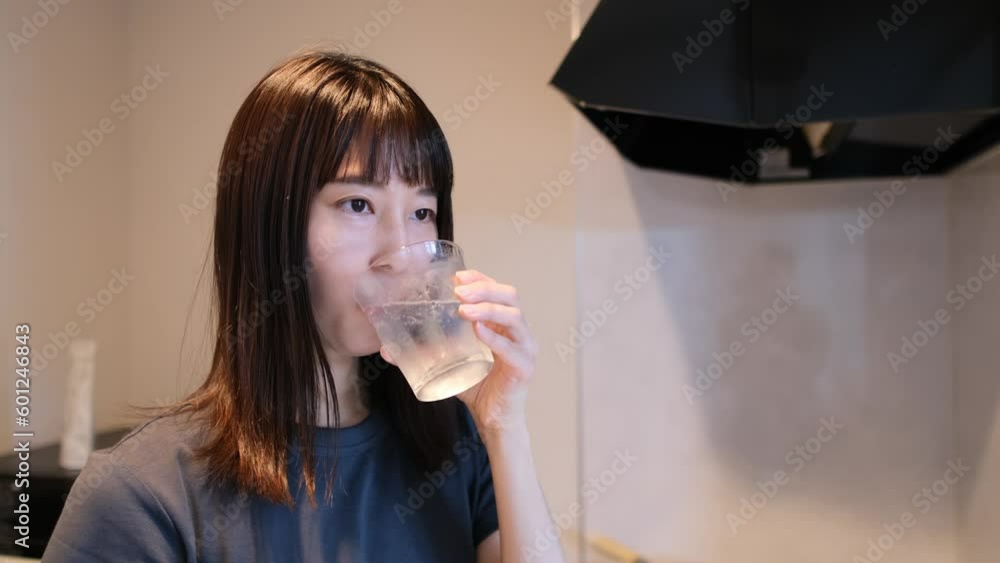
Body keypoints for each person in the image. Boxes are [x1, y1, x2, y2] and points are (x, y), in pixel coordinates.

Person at [42, 49, 564, 563]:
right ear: (269, 226)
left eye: (422, 211)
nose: (400, 253)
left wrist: (504, 426)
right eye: (358, 204)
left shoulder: (453, 445)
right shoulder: (143, 494)